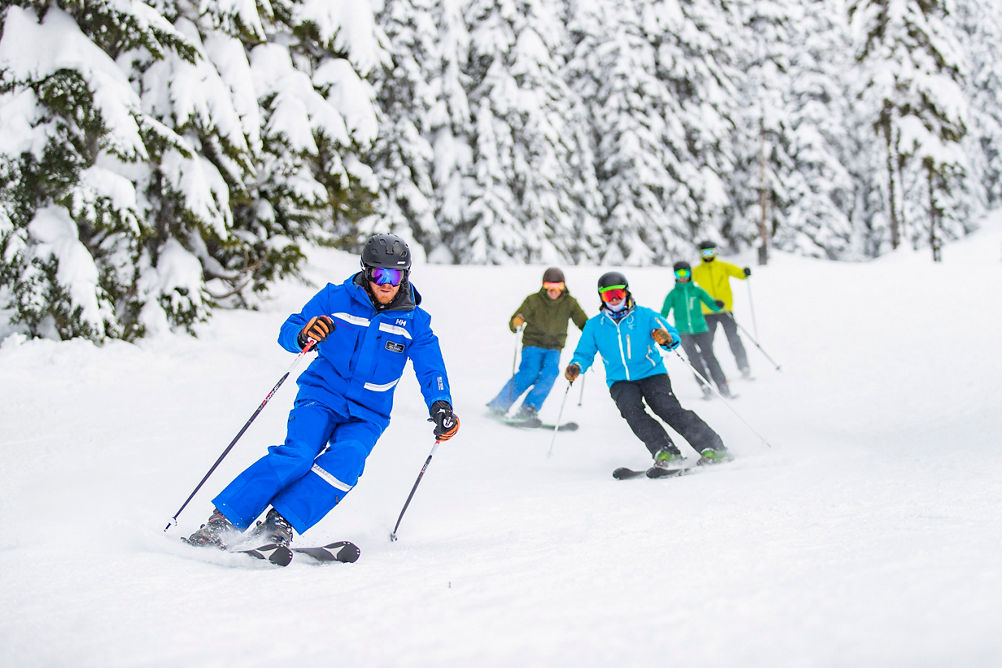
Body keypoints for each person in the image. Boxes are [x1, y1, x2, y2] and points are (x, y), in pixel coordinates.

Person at [186, 233, 460, 549]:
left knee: (348, 460)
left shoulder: (415, 322)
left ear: (405, 276)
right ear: (367, 272)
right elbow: (290, 329)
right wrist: (304, 334)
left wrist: (441, 404)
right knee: (298, 455)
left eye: (395, 276)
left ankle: (280, 522)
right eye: (379, 274)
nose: (386, 284)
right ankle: (223, 521)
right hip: (320, 396)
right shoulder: (335, 299)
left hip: (368, 413)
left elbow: (431, 368)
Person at [564, 271, 729, 469]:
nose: (614, 299)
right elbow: (584, 353)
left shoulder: (645, 315)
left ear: (626, 292)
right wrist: (576, 366)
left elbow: (672, 335)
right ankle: (666, 451)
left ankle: (713, 447)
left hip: (652, 373)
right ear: (602, 297)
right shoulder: (594, 326)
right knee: (632, 412)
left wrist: (666, 338)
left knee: (666, 408)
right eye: (609, 295)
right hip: (620, 380)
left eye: (618, 293)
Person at [486, 267, 588, 424]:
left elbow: (583, 322)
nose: (553, 291)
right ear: (543, 286)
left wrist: (591, 333)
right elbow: (516, 319)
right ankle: (500, 405)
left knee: (550, 373)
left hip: (554, 348)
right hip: (533, 345)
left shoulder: (570, 303)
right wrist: (517, 322)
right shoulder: (533, 300)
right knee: (530, 372)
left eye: (558, 287)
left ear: (563, 287)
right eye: (549, 287)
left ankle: (529, 407)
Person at [660, 261, 733, 399]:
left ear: (690, 274)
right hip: (683, 332)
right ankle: (705, 387)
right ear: (675, 276)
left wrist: (717, 305)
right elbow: (664, 312)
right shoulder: (673, 294)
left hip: (701, 330)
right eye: (679, 274)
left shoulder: (697, 291)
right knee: (694, 360)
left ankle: (723, 385)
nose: (682, 277)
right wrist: (658, 326)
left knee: (709, 356)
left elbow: (711, 303)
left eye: (685, 273)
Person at [692, 240, 753, 378]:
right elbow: (686, 284)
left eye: (711, 252)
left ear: (715, 252)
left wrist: (744, 272)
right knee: (706, 341)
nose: (708, 255)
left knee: (733, 338)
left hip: (725, 310)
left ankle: (743, 366)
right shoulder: (697, 271)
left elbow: (739, 273)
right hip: (707, 312)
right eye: (705, 253)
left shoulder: (723, 266)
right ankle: (705, 367)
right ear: (701, 254)